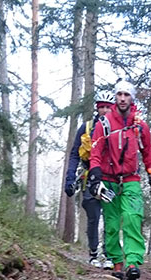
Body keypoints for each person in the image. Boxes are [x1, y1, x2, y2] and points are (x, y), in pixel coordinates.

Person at [87, 80, 151, 280]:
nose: (122, 98)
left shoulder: (139, 126)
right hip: (108, 180)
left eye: (126, 95)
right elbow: (95, 151)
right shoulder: (104, 123)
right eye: (119, 94)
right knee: (111, 224)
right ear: (115, 97)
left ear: (132, 98)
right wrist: (94, 175)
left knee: (132, 218)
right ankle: (117, 263)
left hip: (131, 179)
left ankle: (132, 263)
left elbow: (148, 152)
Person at [63, 91, 116, 269]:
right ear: (97, 108)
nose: (105, 110)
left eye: (108, 107)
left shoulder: (119, 129)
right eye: (102, 106)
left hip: (111, 178)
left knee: (111, 217)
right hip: (90, 178)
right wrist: (70, 178)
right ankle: (93, 253)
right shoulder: (85, 128)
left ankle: (109, 254)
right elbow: (74, 154)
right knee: (93, 217)